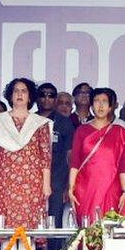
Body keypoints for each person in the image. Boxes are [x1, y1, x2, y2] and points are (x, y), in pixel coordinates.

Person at [0, 78, 52, 233]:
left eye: (24, 91)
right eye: (16, 91)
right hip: (6, 182)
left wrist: (46, 184)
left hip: (33, 183)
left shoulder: (40, 122)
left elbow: (45, 156)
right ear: (10, 95)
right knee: (6, 227)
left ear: (30, 97)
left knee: (31, 230)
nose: (20, 94)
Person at [69, 88, 125, 225]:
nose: (100, 105)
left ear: (111, 107)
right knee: (88, 228)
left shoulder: (119, 132)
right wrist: (70, 188)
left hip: (112, 188)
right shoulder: (82, 131)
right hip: (86, 188)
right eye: (97, 101)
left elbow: (123, 165)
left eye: (104, 102)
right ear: (91, 106)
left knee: (110, 228)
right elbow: (75, 162)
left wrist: (124, 192)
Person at [37, 83, 76, 230]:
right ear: (36, 98)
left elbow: (70, 156)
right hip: (32, 179)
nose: (46, 98)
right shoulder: (29, 120)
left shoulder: (65, 122)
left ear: (55, 100)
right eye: (43, 94)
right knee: (34, 221)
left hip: (57, 181)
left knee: (54, 220)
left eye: (51, 95)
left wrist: (68, 186)